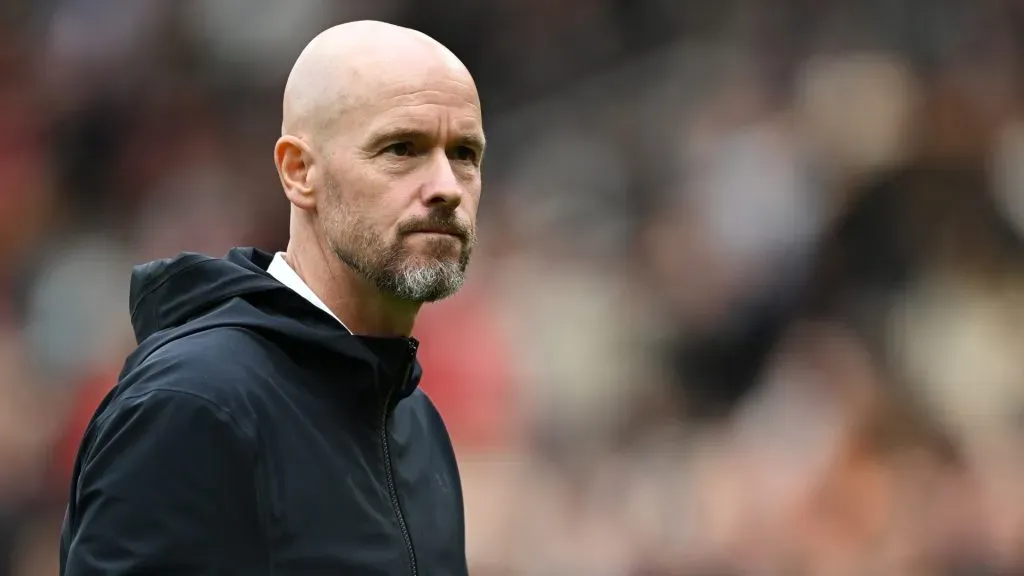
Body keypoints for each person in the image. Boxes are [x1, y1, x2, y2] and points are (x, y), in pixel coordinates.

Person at [59, 20, 485, 576]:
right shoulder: (193, 405)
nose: (447, 186)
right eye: (402, 148)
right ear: (299, 172)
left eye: (465, 153)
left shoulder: (416, 420)